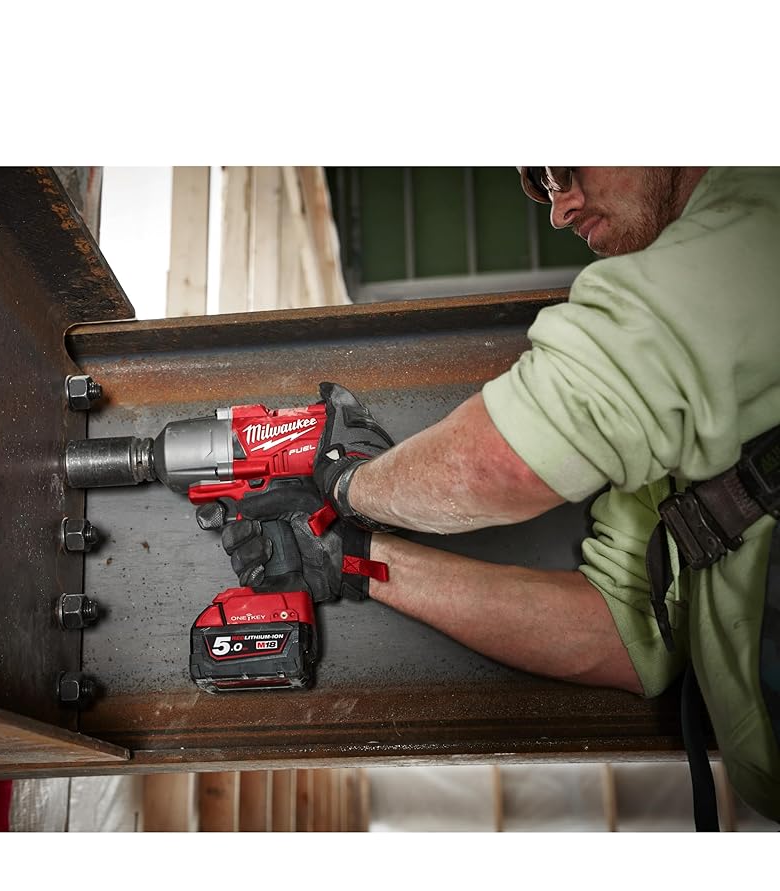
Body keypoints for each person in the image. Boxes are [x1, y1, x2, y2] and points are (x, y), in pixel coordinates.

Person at [221, 167, 780, 825]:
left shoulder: (761, 215)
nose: (559, 209)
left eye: (559, 168)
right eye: (541, 188)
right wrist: (357, 559)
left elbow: (508, 460)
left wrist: (346, 486)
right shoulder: (679, 421)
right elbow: (621, 635)